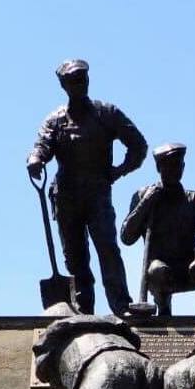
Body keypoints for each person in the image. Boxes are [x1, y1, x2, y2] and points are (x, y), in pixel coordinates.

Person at [27, 59, 147, 316]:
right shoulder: (56, 120)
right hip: (67, 197)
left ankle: (121, 305)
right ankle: (83, 308)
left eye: (82, 78)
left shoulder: (107, 113)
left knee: (107, 249)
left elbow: (138, 145)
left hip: (97, 195)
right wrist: (35, 159)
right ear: (64, 85)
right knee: (75, 257)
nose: (79, 84)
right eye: (73, 80)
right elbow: (42, 145)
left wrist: (118, 171)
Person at [120, 143, 195, 318]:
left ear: (183, 167)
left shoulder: (194, 199)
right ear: (159, 167)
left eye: (178, 165)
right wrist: (146, 203)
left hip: (192, 270)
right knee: (157, 270)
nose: (174, 170)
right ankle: (164, 309)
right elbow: (126, 237)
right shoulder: (143, 196)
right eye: (169, 165)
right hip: (161, 274)